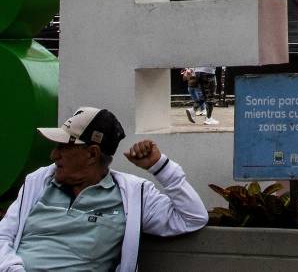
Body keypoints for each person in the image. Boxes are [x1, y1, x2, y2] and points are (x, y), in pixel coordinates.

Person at [0, 106, 208, 272]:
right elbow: (3, 236)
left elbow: (192, 218)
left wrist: (160, 167)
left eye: (63, 147)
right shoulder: (39, 181)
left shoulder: (132, 195)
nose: (54, 155)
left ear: (92, 154)